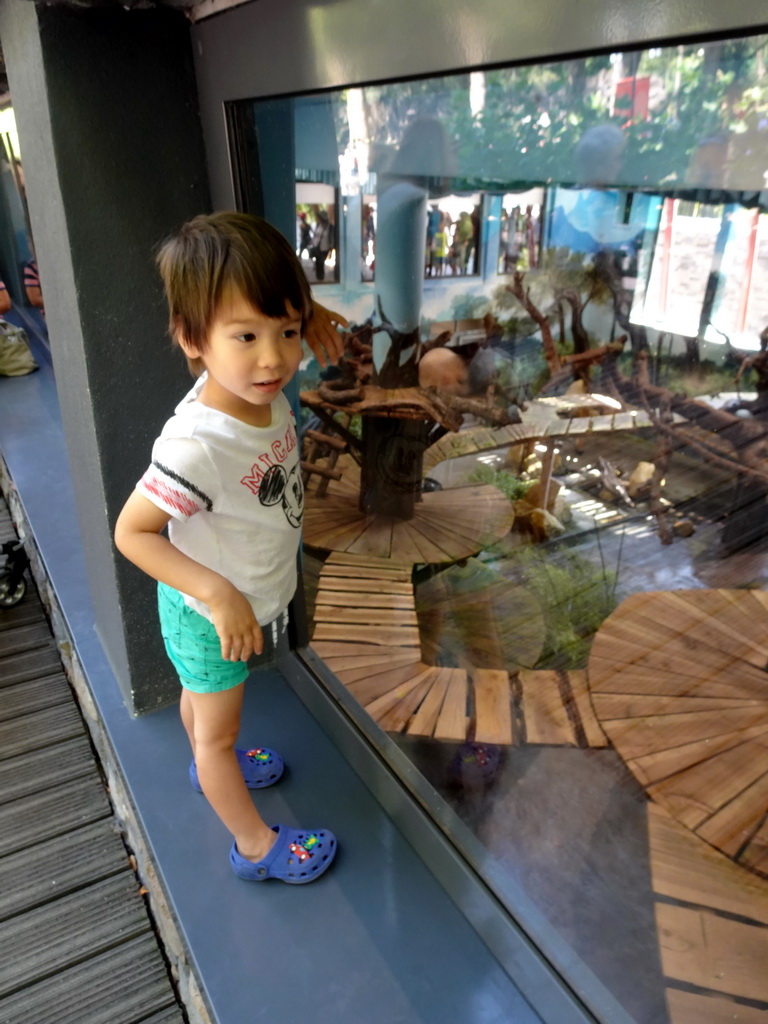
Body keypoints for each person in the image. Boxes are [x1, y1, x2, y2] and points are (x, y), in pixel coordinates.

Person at [114, 212, 340, 885]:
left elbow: (271, 326)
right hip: (209, 617)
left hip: (229, 604)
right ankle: (254, 846)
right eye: (246, 335)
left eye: (288, 331)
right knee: (217, 733)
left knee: (203, 704)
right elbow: (131, 532)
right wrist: (217, 594)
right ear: (193, 340)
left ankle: (209, 755)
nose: (275, 358)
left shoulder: (256, 384)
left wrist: (307, 312)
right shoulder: (198, 446)